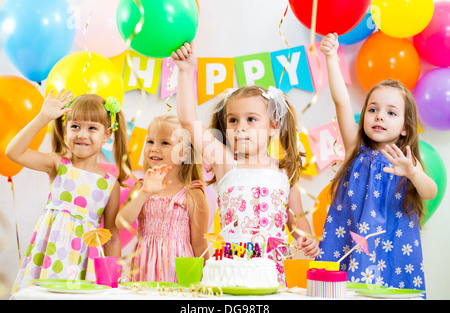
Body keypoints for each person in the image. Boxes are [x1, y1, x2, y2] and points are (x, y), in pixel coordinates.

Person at [172, 43, 320, 284]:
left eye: (251, 119)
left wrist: (307, 237)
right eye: (233, 120)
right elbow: (188, 121)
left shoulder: (285, 171)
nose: (240, 127)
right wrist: (185, 71)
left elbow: (296, 218)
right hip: (231, 270)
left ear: (274, 125)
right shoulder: (226, 162)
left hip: (273, 272)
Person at [316, 33, 437, 291]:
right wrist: (330, 57)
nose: (379, 116)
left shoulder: (405, 161)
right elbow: (342, 101)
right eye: (373, 109)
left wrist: (413, 173)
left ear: (405, 128)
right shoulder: (355, 150)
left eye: (391, 112)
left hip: (392, 246)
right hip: (349, 240)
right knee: (341, 291)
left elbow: (430, 191)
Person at [7, 90, 131, 293]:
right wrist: (42, 118)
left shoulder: (110, 184)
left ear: (107, 135)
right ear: (65, 131)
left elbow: (112, 235)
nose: (82, 134)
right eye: (75, 127)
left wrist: (112, 281)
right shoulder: (58, 165)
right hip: (44, 255)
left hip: (78, 261)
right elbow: (13, 151)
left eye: (92, 128)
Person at [116, 114, 209, 283]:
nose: (154, 148)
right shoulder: (140, 187)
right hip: (144, 266)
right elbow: (120, 223)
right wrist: (145, 193)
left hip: (179, 272)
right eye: (150, 141)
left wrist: (207, 279)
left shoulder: (192, 193)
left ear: (184, 154)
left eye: (164, 143)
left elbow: (200, 245)